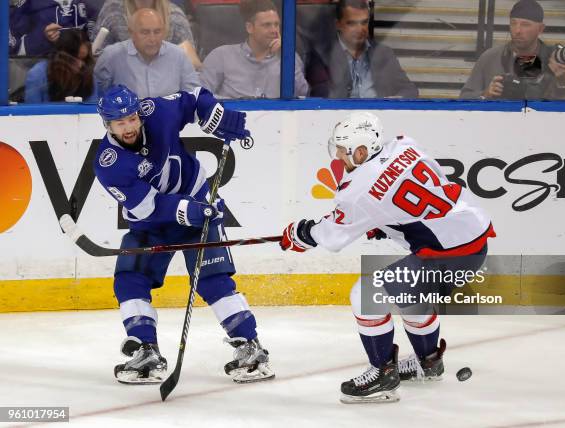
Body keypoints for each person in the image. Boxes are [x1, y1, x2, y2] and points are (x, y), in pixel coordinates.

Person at [280, 112, 495, 403]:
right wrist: (388, 223)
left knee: (366, 294)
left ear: (361, 151)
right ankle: (428, 362)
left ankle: (382, 374)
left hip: (450, 254)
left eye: (344, 150)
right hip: (473, 240)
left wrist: (301, 233)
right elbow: (418, 195)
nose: (339, 156)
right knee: (409, 293)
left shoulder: (357, 190)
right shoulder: (405, 146)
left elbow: (331, 237)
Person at [94, 84, 274, 384]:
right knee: (129, 280)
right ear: (107, 124)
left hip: (199, 203)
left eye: (132, 118)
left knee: (213, 280)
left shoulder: (157, 112)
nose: (129, 127)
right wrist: (185, 209)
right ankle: (146, 349)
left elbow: (193, 97)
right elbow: (146, 208)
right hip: (152, 223)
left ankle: (250, 347)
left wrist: (214, 115)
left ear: (139, 113)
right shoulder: (109, 164)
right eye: (120, 122)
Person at [460, 0, 565, 100]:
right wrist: (485, 94)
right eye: (513, 23)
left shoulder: (555, 61)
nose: (517, 30)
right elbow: (464, 98)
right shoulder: (490, 57)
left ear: (540, 29)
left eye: (525, 25)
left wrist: (562, 84)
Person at [305, 0, 418, 99]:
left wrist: (393, 101)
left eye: (364, 22)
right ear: (338, 24)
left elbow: (410, 90)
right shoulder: (323, 54)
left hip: (379, 118)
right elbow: (320, 95)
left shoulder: (383, 53)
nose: (360, 29)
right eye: (352, 23)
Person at [200, 0, 309, 99]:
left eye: (276, 25)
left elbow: (303, 95)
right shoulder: (221, 56)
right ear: (249, 28)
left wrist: (286, 57)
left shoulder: (289, 57)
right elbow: (201, 96)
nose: (274, 30)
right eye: (267, 25)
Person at [94, 8, 200, 98]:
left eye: (157, 32)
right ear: (131, 32)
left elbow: (194, 95)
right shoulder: (112, 56)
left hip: (169, 119)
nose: (152, 39)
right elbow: (96, 98)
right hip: (126, 119)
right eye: (145, 32)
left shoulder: (179, 56)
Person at [91, 0, 201, 69]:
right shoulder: (112, 10)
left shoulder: (175, 16)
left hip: (165, 88)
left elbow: (193, 64)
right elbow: (96, 57)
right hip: (120, 87)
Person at [25, 29, 98, 103]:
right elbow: (32, 111)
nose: (80, 65)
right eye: (74, 59)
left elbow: (92, 107)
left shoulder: (88, 74)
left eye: (84, 60)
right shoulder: (37, 75)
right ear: (60, 57)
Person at [9, 0, 91, 57]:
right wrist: (42, 37)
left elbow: (92, 36)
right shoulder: (29, 4)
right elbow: (13, 43)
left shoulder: (87, 4)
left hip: (80, 67)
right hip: (39, 63)